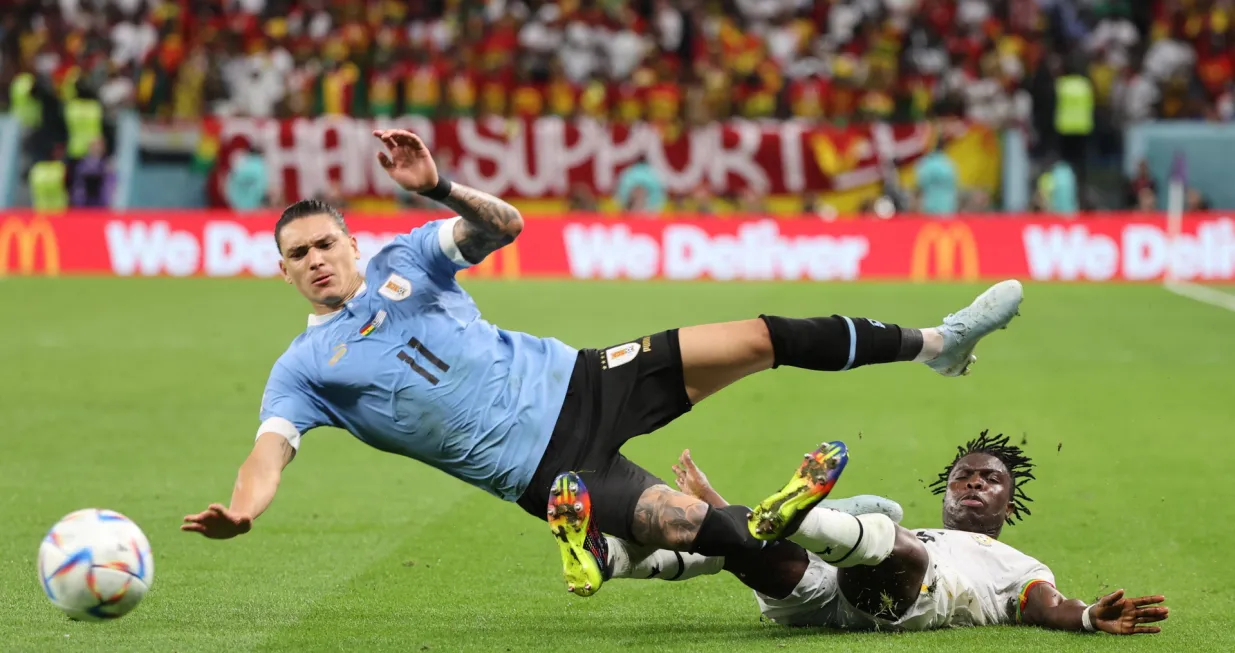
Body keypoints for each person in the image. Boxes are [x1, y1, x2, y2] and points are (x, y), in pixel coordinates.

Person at [181, 129, 1025, 598]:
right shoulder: (304, 368)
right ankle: (753, 542)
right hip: (551, 469)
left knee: (762, 335)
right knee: (718, 533)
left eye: (327, 242)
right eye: (300, 253)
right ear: (283, 270)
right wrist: (244, 511)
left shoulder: (411, 259)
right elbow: (268, 451)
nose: (318, 258)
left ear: (351, 241)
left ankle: (937, 344)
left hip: (590, 376)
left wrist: (438, 187)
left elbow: (503, 228)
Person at [645, 433, 1168, 635]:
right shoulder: (922, 529)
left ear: (1009, 504)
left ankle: (800, 516)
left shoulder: (1018, 564)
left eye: (991, 480)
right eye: (964, 475)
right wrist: (713, 499)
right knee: (759, 556)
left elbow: (1045, 604)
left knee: (897, 544)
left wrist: (1085, 617)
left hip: (904, 597)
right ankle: (614, 555)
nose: (974, 483)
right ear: (946, 494)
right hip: (827, 592)